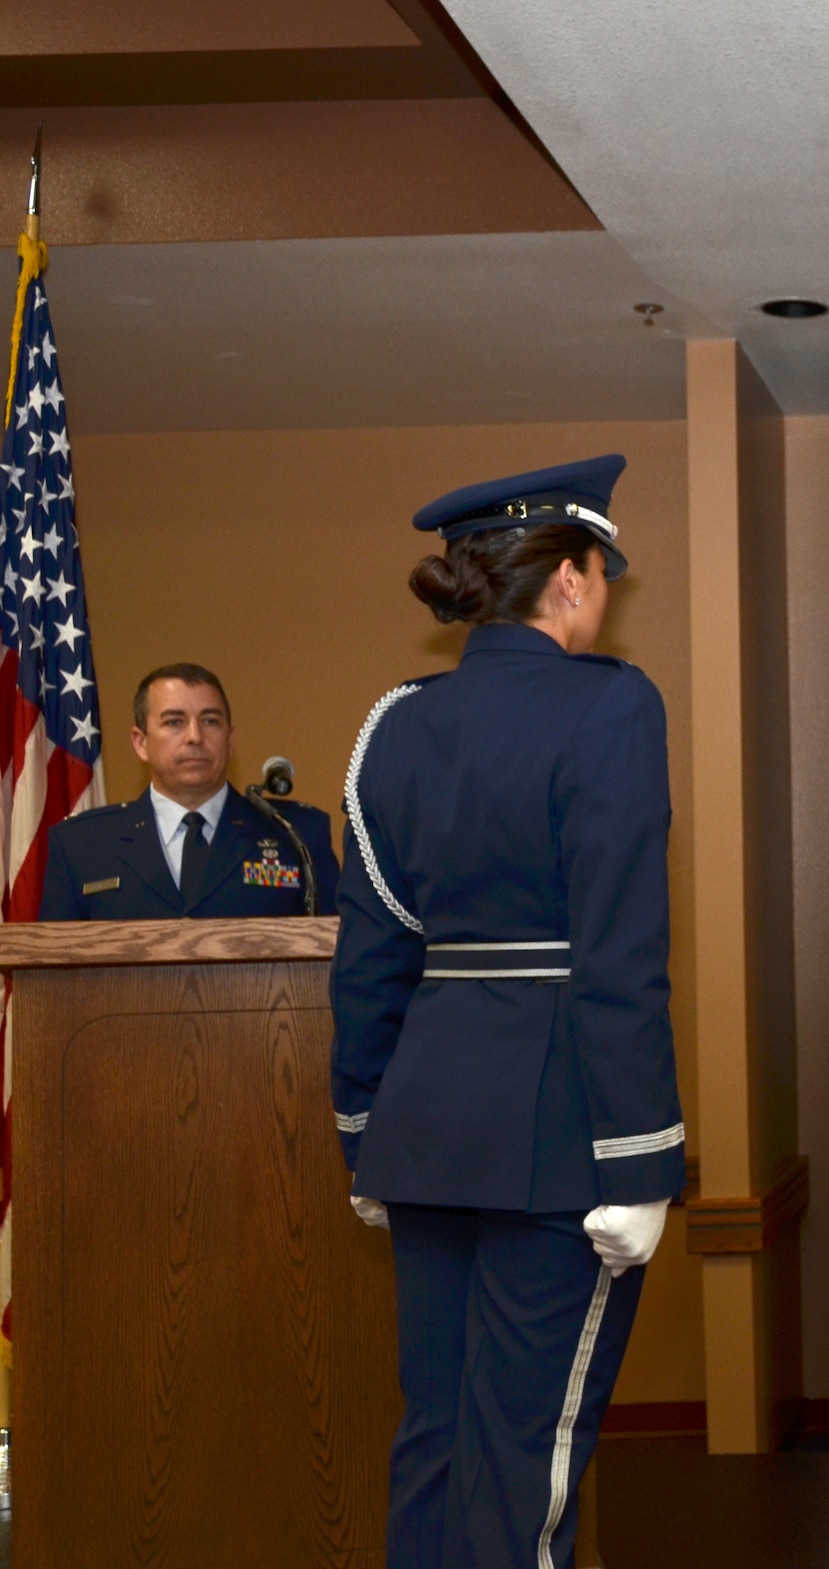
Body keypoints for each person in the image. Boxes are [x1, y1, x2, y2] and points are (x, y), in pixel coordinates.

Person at [331, 455, 685, 1569]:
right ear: (572, 580)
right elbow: (621, 951)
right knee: (523, 1459)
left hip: (425, 1135)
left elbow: (373, 954)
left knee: (436, 1439)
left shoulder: (394, 723)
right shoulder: (612, 703)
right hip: (562, 1139)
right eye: (601, 575)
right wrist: (639, 1164)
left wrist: (362, 1137)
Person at [39, 662, 339, 920]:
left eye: (210, 721)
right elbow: (51, 973)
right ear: (140, 742)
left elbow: (334, 954)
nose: (195, 737)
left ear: (230, 740)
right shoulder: (81, 845)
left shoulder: (296, 834)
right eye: (174, 722)